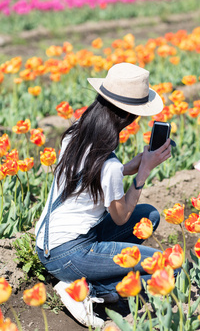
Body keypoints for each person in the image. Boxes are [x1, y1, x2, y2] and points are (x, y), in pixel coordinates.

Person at [35, 63, 172, 328]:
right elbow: (120, 218)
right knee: (167, 267)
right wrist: (142, 173)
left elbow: (90, 178)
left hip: (47, 244)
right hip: (72, 253)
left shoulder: (76, 132)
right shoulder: (107, 165)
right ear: (129, 117)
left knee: (148, 216)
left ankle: (90, 282)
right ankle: (87, 291)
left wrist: (129, 167)